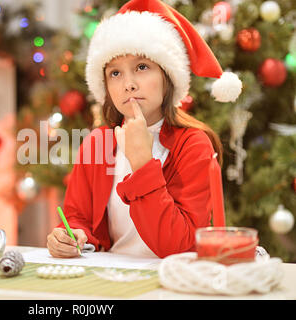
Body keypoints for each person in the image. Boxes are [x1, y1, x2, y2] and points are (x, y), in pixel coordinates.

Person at [46, 0, 242, 259]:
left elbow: (178, 247)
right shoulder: (98, 143)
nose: (128, 84)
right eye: (115, 73)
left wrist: (142, 164)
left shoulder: (194, 145)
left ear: (167, 77)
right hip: (113, 279)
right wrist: (70, 236)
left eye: (141, 67)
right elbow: (77, 218)